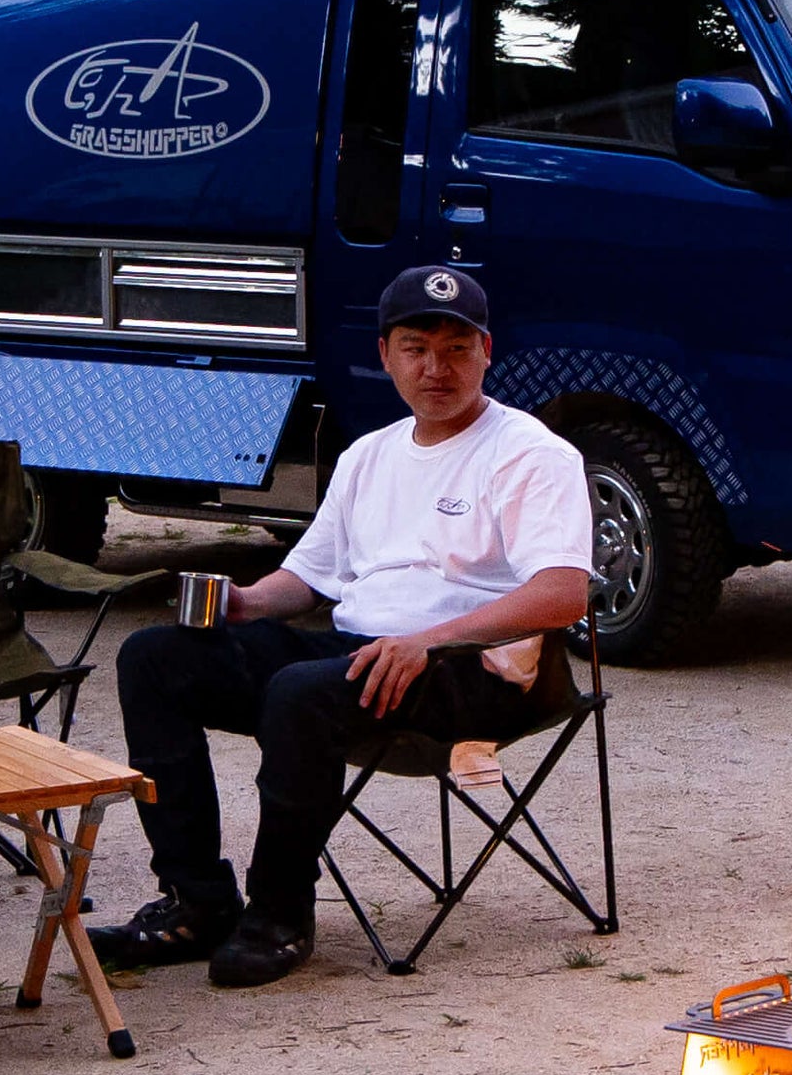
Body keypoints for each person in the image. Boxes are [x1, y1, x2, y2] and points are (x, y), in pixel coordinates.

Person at [90, 264, 595, 992]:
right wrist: (248, 602)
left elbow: (562, 594)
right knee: (154, 657)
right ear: (386, 354)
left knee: (301, 691)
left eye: (457, 349)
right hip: (360, 654)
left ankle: (279, 915)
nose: (436, 368)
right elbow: (312, 577)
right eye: (417, 347)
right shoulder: (371, 454)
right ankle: (197, 902)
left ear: (488, 352)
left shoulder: (530, 453)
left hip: (475, 672)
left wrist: (432, 641)